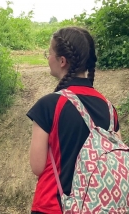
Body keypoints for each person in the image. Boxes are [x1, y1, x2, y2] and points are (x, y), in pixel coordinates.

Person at [27, 27, 121, 214]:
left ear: (62, 61)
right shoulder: (109, 108)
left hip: (54, 205)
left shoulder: (49, 104)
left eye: (49, 53)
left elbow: (37, 167)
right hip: (100, 206)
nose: (48, 58)